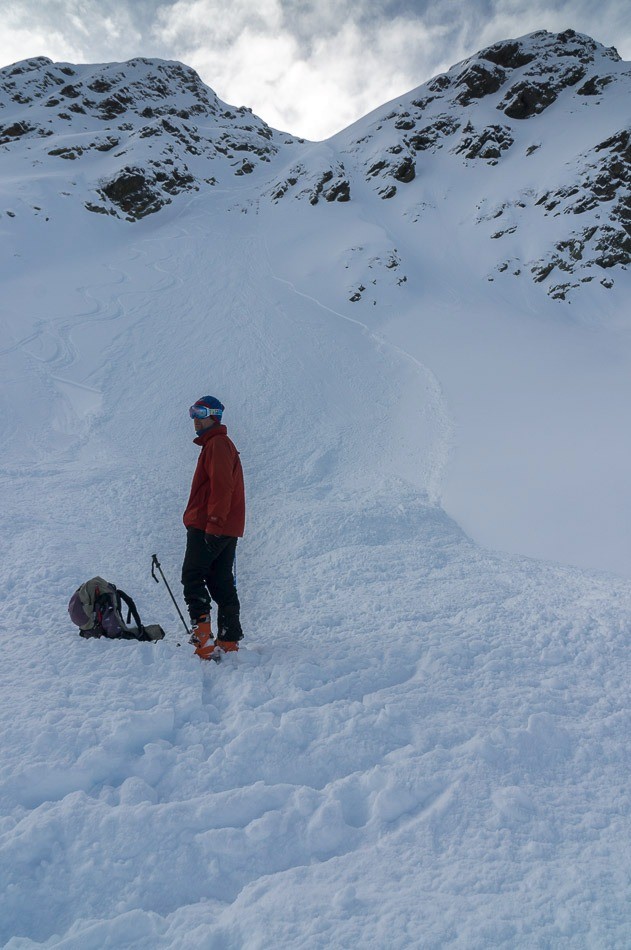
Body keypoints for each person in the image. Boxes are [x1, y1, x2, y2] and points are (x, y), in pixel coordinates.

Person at [181, 395, 245, 659]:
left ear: (214, 415)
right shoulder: (217, 444)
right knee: (220, 581)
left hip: (210, 525)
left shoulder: (218, 444)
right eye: (193, 413)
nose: (195, 419)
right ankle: (228, 640)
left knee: (192, 577)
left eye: (200, 413)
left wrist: (214, 523)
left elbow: (222, 485)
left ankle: (204, 640)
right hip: (224, 527)